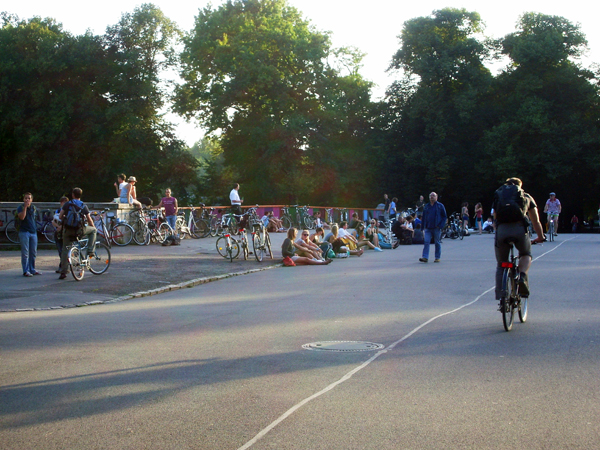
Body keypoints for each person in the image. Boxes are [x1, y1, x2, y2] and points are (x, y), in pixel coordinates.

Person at [493, 178, 544, 299]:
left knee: (501, 264)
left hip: (502, 232)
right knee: (525, 253)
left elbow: (495, 218)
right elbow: (535, 221)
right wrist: (540, 237)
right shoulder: (526, 197)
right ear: (520, 186)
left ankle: (501, 295)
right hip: (520, 231)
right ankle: (521, 276)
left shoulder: (499, 196)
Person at [58, 187, 97, 280]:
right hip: (79, 230)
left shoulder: (67, 204)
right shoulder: (83, 205)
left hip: (68, 230)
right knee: (93, 231)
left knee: (65, 250)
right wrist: (93, 226)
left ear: (72, 194)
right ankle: (91, 251)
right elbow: (89, 219)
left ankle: (63, 272)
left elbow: (60, 216)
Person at [16, 192, 40, 277]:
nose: (27, 200)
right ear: (23, 199)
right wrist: (25, 207)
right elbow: (22, 217)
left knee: (33, 252)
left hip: (33, 232)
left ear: (31, 200)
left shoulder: (33, 208)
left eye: (29, 198)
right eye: (26, 198)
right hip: (24, 232)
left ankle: (32, 269)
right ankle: (25, 270)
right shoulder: (20, 208)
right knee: (25, 252)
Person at [419, 192, 447, 263]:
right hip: (428, 227)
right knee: (426, 241)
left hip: (436, 227)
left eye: (433, 196)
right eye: (431, 196)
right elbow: (424, 217)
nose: (432, 197)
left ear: (436, 197)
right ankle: (425, 257)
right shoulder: (427, 206)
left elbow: (444, 216)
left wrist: (440, 225)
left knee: (437, 242)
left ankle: (437, 257)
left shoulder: (440, 206)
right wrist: (422, 227)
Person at [52, 196, 69, 273]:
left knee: (64, 251)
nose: (64, 203)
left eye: (65, 202)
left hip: (65, 233)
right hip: (58, 233)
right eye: (63, 202)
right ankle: (62, 266)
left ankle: (63, 267)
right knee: (60, 251)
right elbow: (53, 221)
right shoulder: (58, 211)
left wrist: (61, 226)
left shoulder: (68, 211)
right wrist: (58, 226)